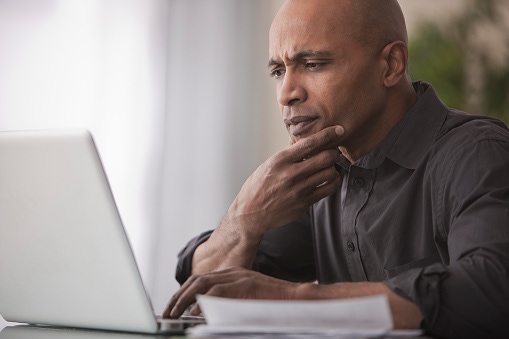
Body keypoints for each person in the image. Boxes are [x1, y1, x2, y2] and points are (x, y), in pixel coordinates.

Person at [163, 0, 509, 337]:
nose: (286, 93)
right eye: (278, 71)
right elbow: (204, 290)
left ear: (391, 65)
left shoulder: (476, 153)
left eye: (312, 63)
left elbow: (492, 289)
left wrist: (293, 298)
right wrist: (244, 217)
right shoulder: (321, 174)